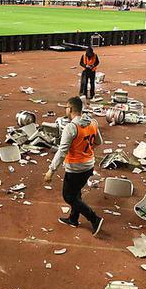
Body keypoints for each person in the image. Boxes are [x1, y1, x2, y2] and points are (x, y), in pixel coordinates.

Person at [44, 95, 104, 236]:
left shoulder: (71, 127)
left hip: (75, 168)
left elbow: (62, 152)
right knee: (76, 193)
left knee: (69, 197)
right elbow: (98, 142)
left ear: (70, 109)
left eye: (66, 108)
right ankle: (73, 219)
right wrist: (86, 150)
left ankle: (94, 218)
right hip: (89, 166)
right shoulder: (93, 122)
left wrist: (50, 171)